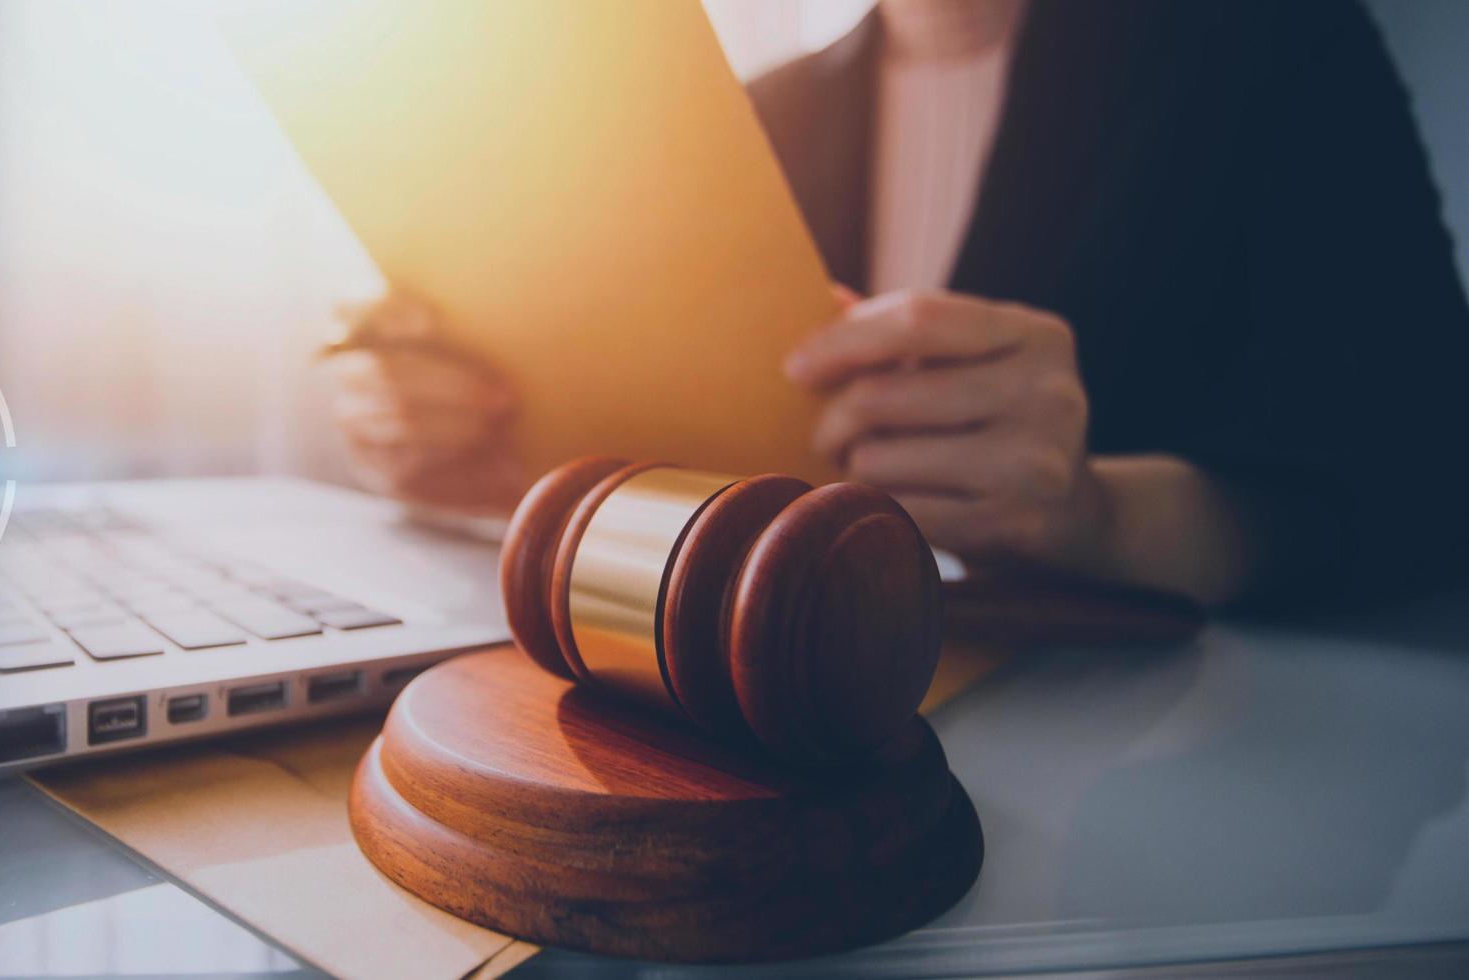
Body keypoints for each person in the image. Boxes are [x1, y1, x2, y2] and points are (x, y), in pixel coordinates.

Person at [326, 0, 1469, 608]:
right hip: (780, 730)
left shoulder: (1270, 43)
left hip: (1171, 772)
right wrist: (488, 441)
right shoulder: (756, 117)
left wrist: (1091, 513)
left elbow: (1416, 477)